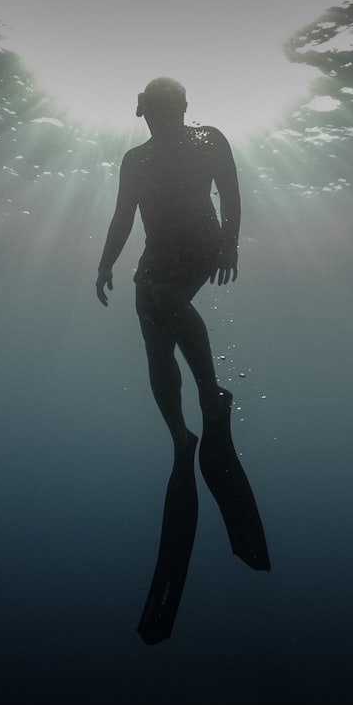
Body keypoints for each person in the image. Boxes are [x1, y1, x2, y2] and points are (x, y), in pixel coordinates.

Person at [95, 77, 240, 456]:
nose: (161, 117)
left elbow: (230, 195)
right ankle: (179, 434)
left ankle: (209, 390)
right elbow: (123, 217)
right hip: (158, 252)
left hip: (202, 244)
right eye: (155, 109)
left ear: (184, 109)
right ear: (143, 108)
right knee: (154, 336)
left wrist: (229, 245)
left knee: (165, 298)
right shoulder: (136, 159)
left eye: (170, 109)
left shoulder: (209, 139)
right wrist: (105, 264)